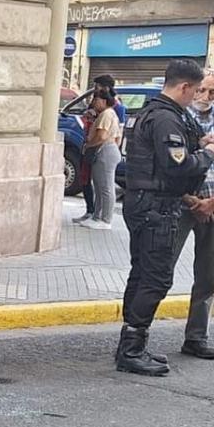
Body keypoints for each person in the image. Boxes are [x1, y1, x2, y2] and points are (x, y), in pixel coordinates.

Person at [117, 59, 214, 376]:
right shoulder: (165, 118)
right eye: (197, 90)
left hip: (149, 204)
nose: (198, 96)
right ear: (184, 87)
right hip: (156, 208)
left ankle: (131, 345)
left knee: (142, 273)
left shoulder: (154, 112)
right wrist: (209, 154)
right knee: (156, 277)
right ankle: (131, 348)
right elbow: (178, 166)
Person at [173, 69, 214, 359]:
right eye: (202, 91)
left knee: (208, 274)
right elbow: (169, 165)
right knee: (160, 267)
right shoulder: (178, 117)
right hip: (181, 202)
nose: (206, 98)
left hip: (213, 203)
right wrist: (190, 199)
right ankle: (137, 337)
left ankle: (196, 337)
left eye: (213, 93)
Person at [76, 75, 127, 224]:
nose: (94, 99)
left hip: (105, 149)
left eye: (97, 87)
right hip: (101, 149)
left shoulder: (112, 111)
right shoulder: (102, 110)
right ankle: (95, 215)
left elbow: (109, 134)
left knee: (105, 186)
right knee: (97, 184)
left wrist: (92, 145)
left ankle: (104, 219)